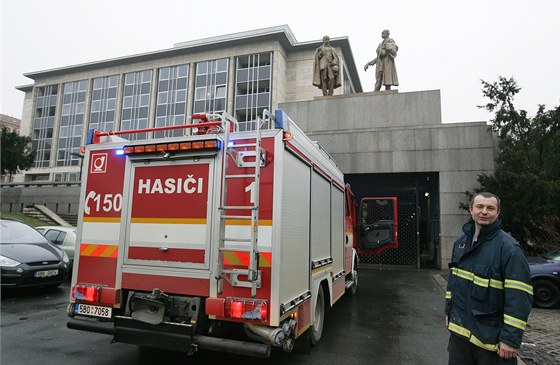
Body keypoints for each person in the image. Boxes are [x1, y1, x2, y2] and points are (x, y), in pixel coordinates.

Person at [445, 192, 533, 365]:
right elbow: (453, 282)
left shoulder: (509, 249)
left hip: (491, 342)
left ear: (498, 213)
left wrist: (510, 339)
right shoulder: (461, 243)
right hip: (460, 338)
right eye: (479, 207)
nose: (484, 211)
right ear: (471, 210)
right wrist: (448, 310)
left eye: (490, 208)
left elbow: (519, 297)